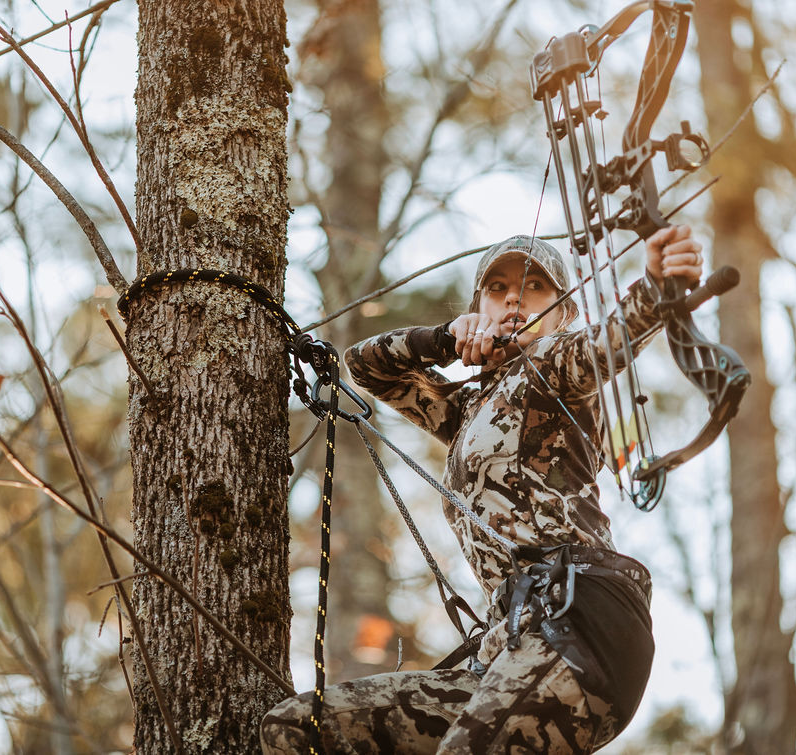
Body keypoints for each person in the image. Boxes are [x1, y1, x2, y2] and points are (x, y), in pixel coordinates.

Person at [261, 227, 704, 754]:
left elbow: (610, 341)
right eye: (497, 288)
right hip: (508, 648)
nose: (515, 296)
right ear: (478, 307)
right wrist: (446, 339)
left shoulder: (554, 367)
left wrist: (656, 284)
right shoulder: (465, 411)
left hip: (581, 623)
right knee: (295, 728)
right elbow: (364, 366)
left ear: (565, 314)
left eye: (537, 286)